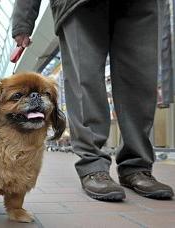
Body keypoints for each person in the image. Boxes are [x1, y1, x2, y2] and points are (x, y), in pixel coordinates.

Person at [12, 0, 173, 201]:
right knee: (84, 80)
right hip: (77, 5)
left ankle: (137, 166)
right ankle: (93, 165)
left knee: (140, 81)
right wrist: (22, 21)